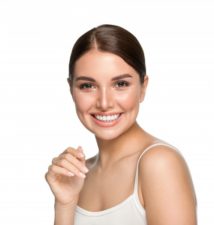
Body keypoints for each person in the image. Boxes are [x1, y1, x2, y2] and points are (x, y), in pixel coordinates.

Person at [45, 24, 197, 225]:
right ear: (71, 89)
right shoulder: (79, 175)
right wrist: (64, 205)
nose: (105, 103)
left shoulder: (159, 163)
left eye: (121, 84)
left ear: (143, 87)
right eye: (87, 86)